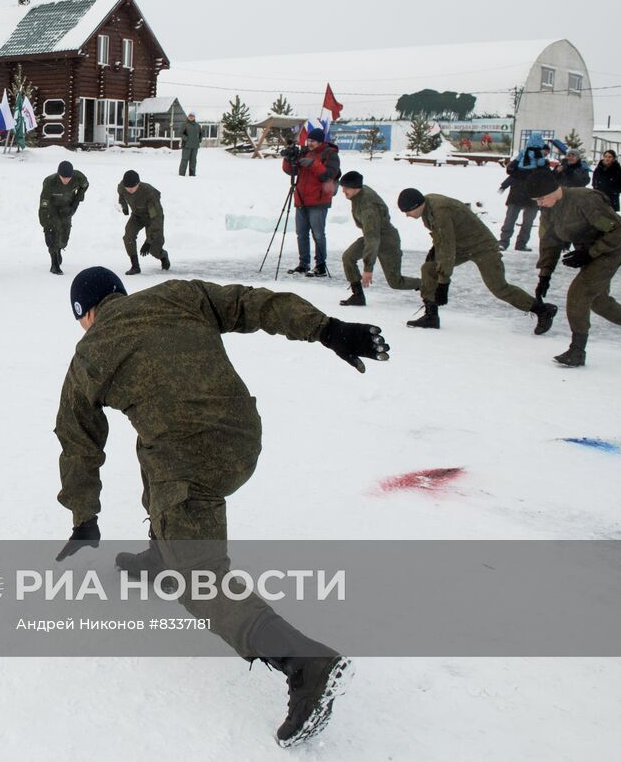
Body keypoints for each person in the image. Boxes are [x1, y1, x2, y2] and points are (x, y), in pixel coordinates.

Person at [53, 267, 388, 747]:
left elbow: (77, 442)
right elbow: (252, 303)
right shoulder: (178, 295)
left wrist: (84, 516)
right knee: (153, 440)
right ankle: (158, 552)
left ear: (83, 313)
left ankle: (303, 662)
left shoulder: (89, 353)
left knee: (201, 582)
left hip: (194, 467)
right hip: (242, 438)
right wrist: (327, 329)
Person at [396, 188, 556, 332]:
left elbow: (447, 247)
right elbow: (442, 238)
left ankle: (542, 310)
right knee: (429, 269)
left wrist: (444, 283)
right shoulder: (427, 207)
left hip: (483, 246)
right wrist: (434, 251)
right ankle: (431, 315)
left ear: (416, 205)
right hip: (462, 246)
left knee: (498, 287)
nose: (407, 215)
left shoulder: (440, 211)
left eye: (407, 211)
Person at [524, 169, 621, 366]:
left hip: (611, 249)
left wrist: (590, 254)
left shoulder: (585, 201)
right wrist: (545, 276)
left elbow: (615, 231)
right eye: (536, 200)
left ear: (554, 190)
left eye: (541, 198)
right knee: (598, 302)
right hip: (588, 251)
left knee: (579, 294)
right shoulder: (548, 210)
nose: (539, 203)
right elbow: (549, 242)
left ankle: (577, 351)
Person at [337, 171, 419, 306]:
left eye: (346, 188)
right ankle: (358, 295)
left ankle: (426, 286)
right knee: (348, 257)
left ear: (355, 187)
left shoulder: (368, 207)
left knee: (395, 282)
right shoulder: (358, 194)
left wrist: (368, 268)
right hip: (372, 235)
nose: (343, 191)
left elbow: (373, 239)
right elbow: (371, 236)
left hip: (387, 241)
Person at [281, 128, 340, 276]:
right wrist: (288, 159)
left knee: (318, 234)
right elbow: (291, 171)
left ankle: (320, 265)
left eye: (313, 141)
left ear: (320, 141)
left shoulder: (330, 154)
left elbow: (329, 175)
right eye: (309, 140)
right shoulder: (304, 152)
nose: (309, 143)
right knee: (301, 233)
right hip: (301, 198)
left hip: (319, 200)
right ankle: (304, 263)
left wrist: (313, 164)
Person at [497, 133, 550, 251]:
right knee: (519, 221)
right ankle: (509, 242)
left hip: (527, 195)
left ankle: (509, 242)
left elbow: (512, 173)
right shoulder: (540, 163)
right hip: (525, 194)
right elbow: (511, 173)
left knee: (520, 221)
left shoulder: (524, 161)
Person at [39, 160, 88, 275]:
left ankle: (60, 248)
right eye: (63, 177)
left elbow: (85, 186)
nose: (66, 180)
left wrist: (76, 201)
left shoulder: (78, 177)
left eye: (68, 178)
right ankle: (54, 263)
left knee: (64, 235)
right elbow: (43, 205)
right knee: (53, 233)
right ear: (58, 174)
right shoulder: (49, 182)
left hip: (67, 206)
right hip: (52, 208)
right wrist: (46, 227)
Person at [117, 169, 168, 275]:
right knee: (128, 236)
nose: (129, 190)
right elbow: (121, 195)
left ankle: (162, 256)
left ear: (138, 184)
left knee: (153, 249)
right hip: (137, 217)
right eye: (128, 187)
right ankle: (135, 266)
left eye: (132, 187)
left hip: (153, 219)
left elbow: (156, 219)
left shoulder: (149, 194)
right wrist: (124, 206)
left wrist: (149, 241)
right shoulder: (122, 187)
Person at [177, 112, 202, 177]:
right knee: (184, 160)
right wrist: (186, 138)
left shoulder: (197, 125)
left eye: (192, 116)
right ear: (188, 117)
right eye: (190, 116)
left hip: (195, 146)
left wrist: (199, 140)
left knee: (193, 161)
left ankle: (192, 174)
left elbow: (201, 134)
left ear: (194, 117)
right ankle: (181, 174)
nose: (191, 117)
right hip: (186, 145)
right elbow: (180, 133)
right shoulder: (185, 124)